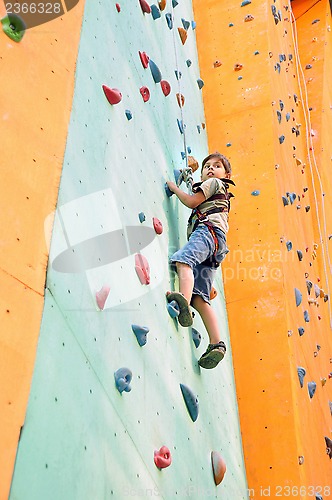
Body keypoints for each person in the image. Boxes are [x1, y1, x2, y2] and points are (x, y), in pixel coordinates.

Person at [166, 152, 235, 369]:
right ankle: (216, 343)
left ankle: (182, 302)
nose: (211, 169)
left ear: (226, 175)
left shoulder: (214, 183)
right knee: (201, 298)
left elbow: (192, 201)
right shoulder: (221, 197)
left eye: (216, 166)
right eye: (207, 167)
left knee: (183, 262)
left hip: (208, 232)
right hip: (217, 245)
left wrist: (173, 188)